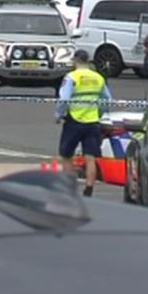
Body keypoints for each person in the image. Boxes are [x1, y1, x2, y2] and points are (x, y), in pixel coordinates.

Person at [55, 50, 112, 197]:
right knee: (90, 157)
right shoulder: (98, 77)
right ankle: (89, 188)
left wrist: (59, 114)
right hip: (92, 121)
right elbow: (107, 99)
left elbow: (64, 99)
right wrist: (99, 113)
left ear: (75, 61)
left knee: (67, 155)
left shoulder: (72, 77)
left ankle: (69, 187)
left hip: (74, 120)